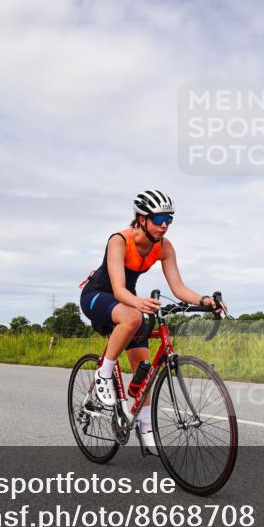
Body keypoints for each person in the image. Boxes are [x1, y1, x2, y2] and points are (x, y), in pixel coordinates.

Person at [79, 190, 220, 453]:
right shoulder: (120, 240)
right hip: (97, 295)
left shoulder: (164, 247)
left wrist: (204, 300)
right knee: (134, 316)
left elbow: (178, 287)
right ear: (141, 218)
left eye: (168, 218)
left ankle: (145, 429)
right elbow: (120, 290)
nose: (164, 224)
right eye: (158, 218)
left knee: (143, 369)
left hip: (126, 301)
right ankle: (103, 373)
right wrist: (138, 302)